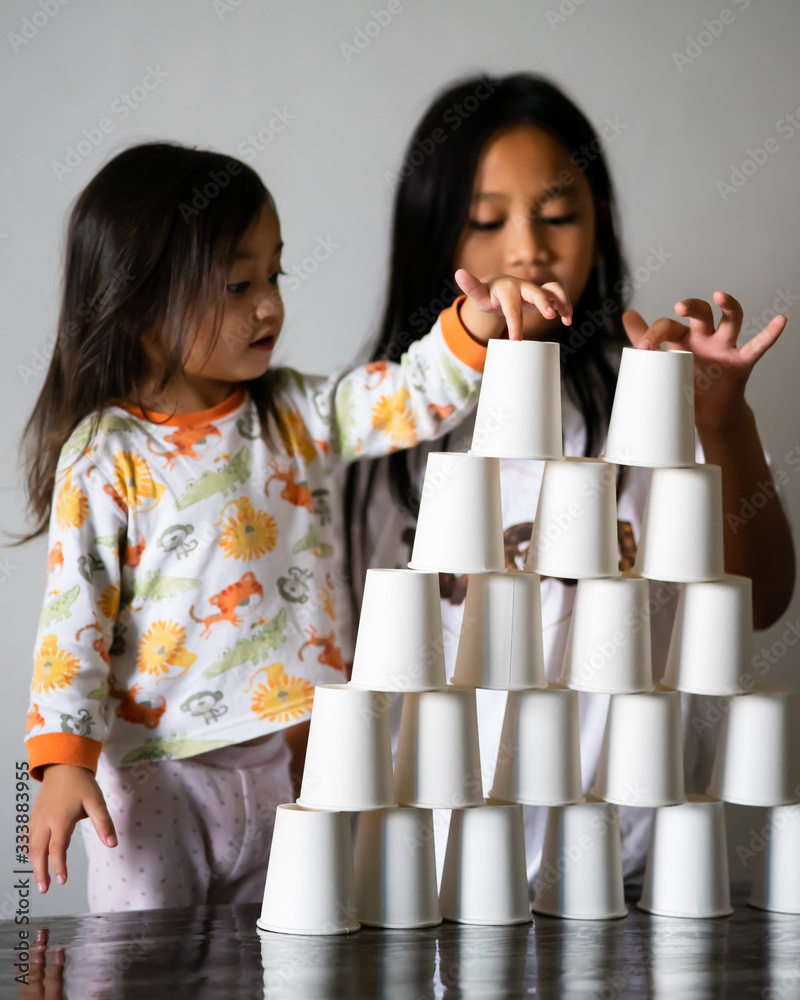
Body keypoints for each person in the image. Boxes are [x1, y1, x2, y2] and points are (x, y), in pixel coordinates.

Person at [14, 140, 571, 911]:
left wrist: (470, 328)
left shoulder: (293, 413)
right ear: (141, 309)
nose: (270, 303)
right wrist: (62, 762)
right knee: (148, 970)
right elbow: (74, 617)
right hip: (159, 777)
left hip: (299, 759)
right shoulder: (107, 455)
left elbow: (405, 395)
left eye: (274, 274)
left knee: (295, 954)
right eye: (239, 284)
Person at [345, 73, 796, 891]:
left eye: (558, 215)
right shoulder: (389, 426)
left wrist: (723, 421)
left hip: (628, 870)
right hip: (431, 880)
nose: (527, 248)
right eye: (486, 221)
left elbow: (760, 599)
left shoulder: (654, 397)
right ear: (431, 238)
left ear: (600, 226)